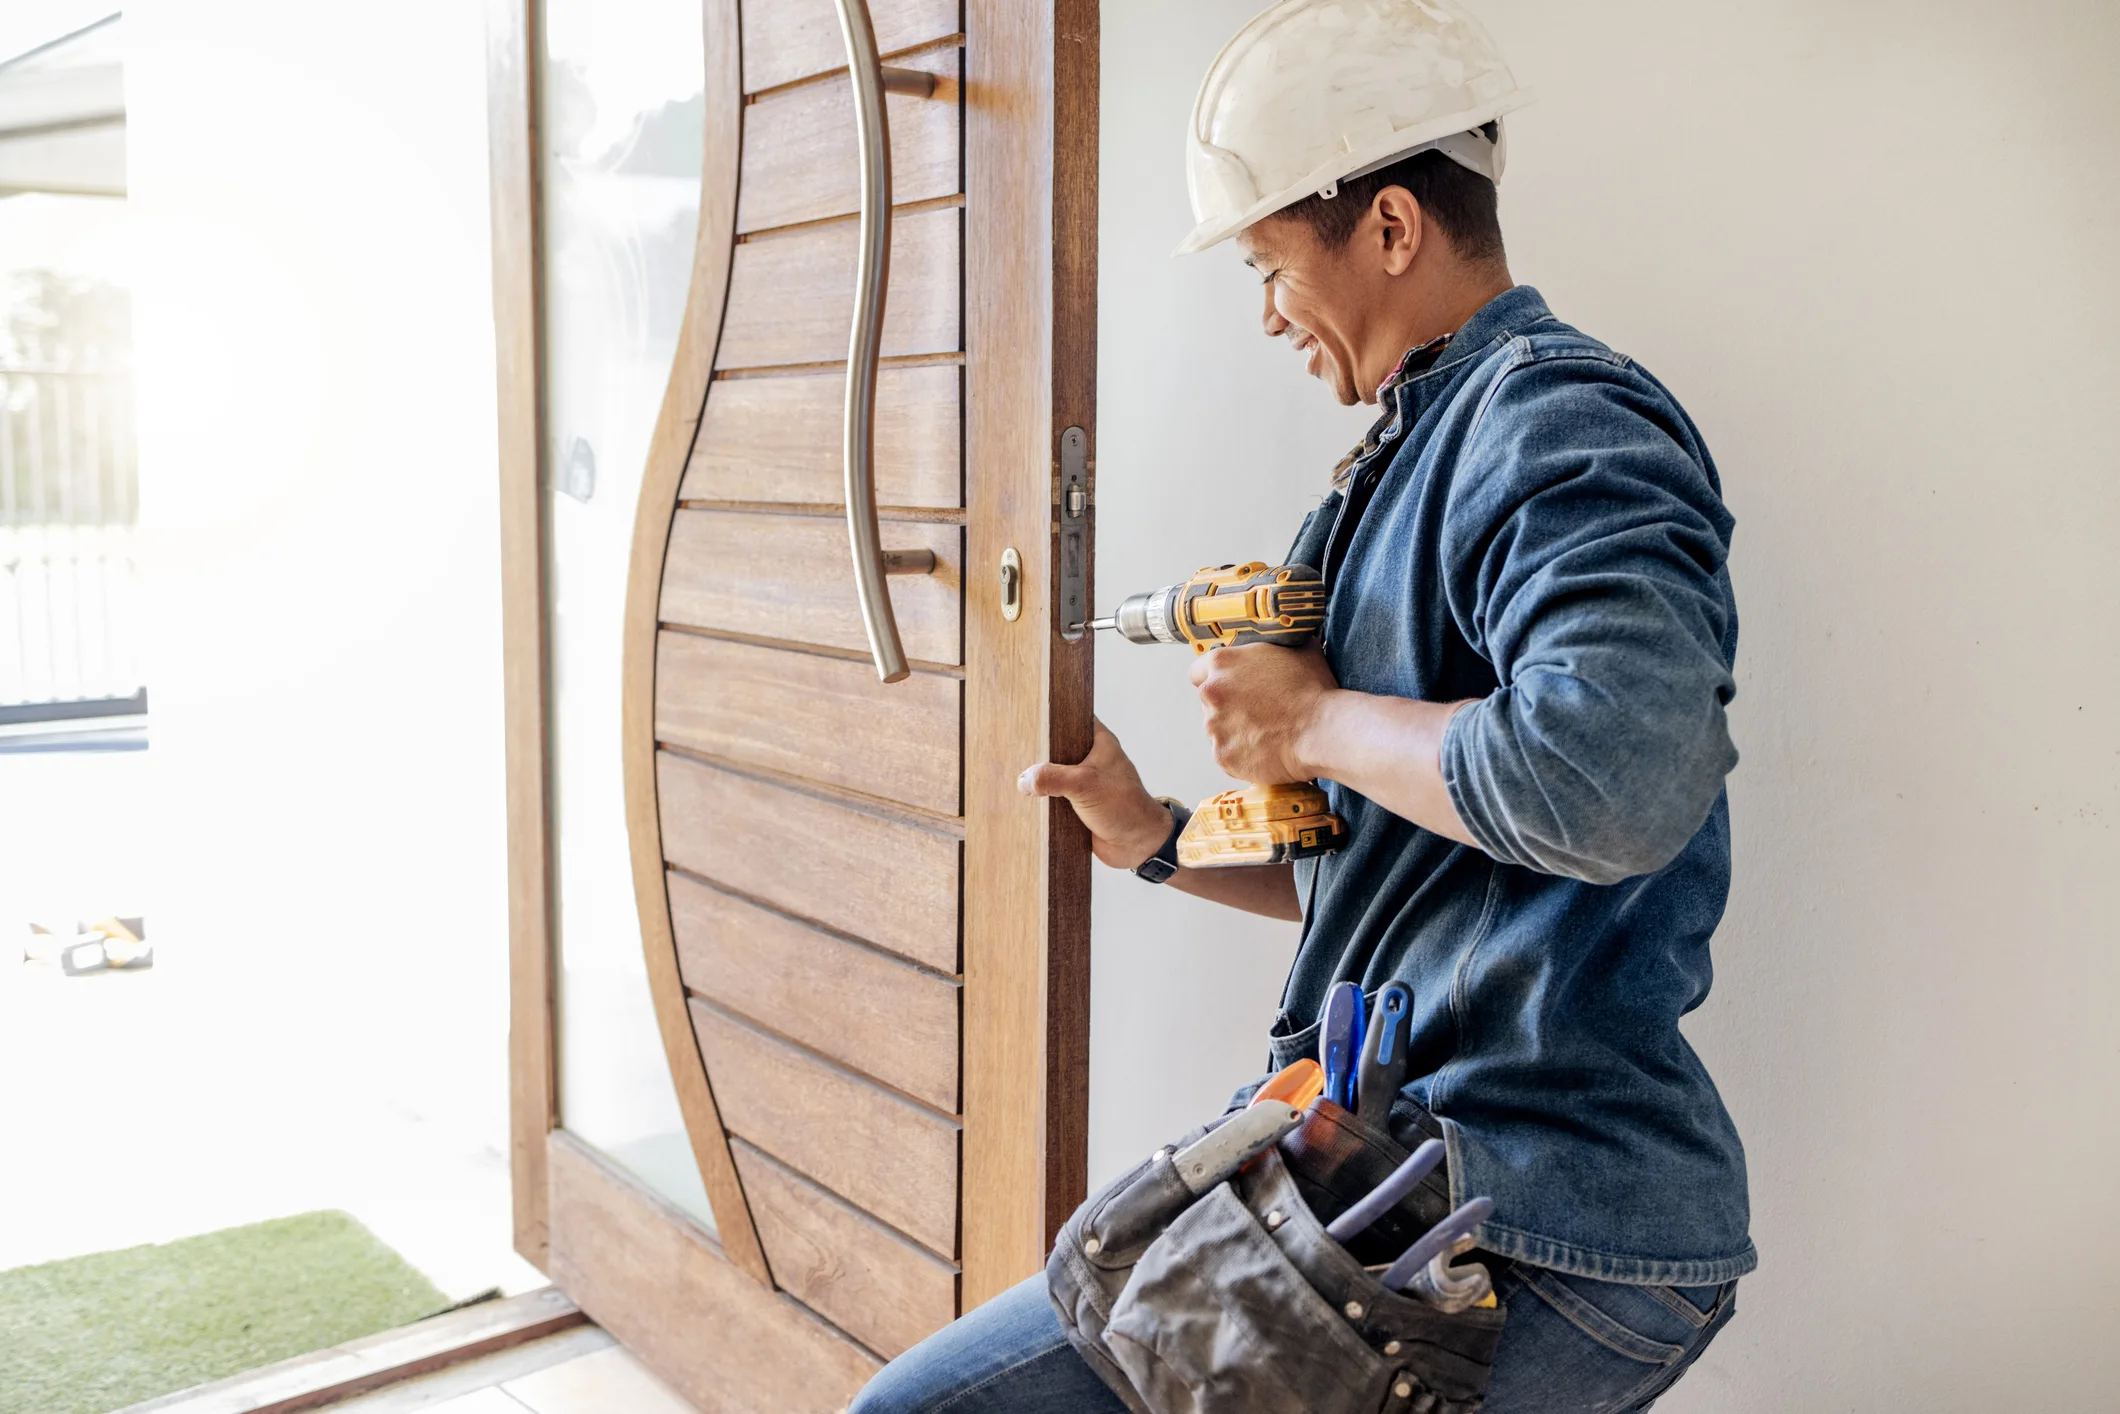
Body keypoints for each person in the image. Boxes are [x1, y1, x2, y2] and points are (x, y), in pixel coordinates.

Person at [853, 2, 1751, 1409]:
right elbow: (1409, 870)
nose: (1267, 310)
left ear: (1389, 226)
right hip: (1411, 1166)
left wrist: (1309, 723)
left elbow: (1607, 780)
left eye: (1271, 264)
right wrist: (1157, 837)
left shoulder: (1555, 419)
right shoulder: (1408, 454)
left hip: (1533, 1210)